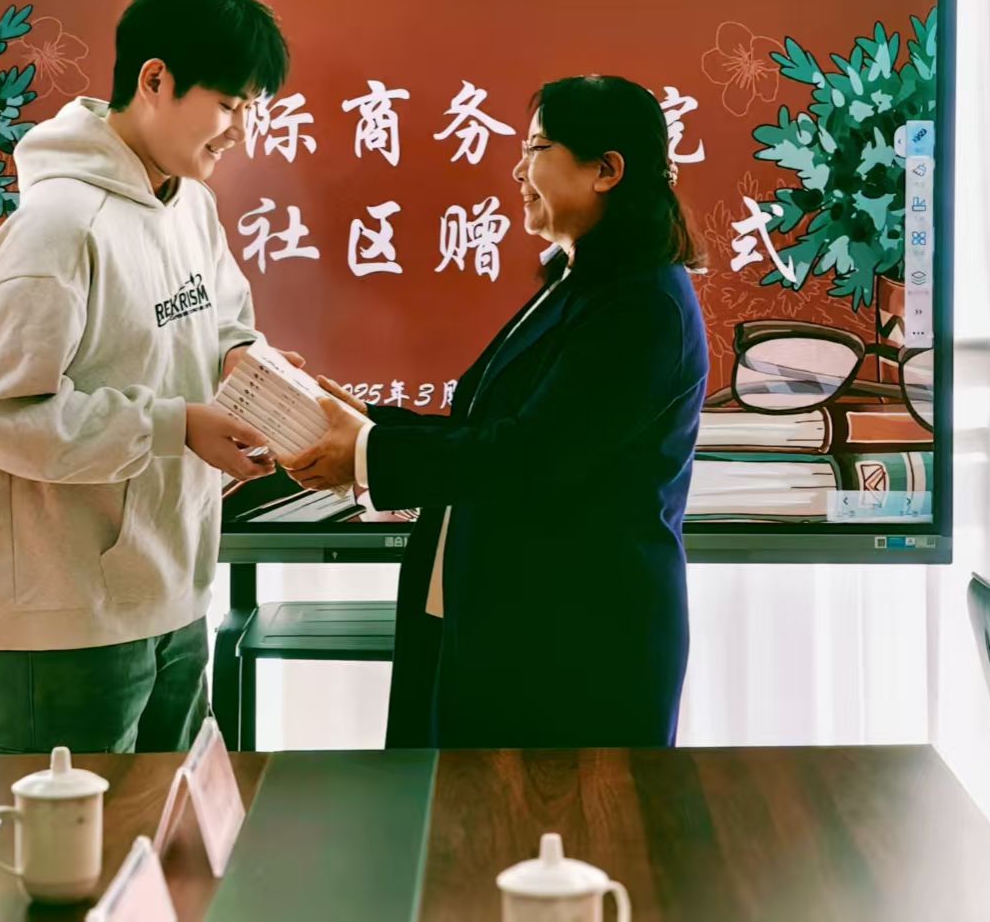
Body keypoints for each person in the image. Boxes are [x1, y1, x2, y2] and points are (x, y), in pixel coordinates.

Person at [281, 74, 708, 749]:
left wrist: (364, 454)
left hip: (577, 651)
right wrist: (365, 420)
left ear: (606, 170)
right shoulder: (580, 278)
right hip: (512, 624)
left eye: (537, 147)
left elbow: (528, 455)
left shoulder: (642, 305)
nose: (517, 170)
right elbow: (487, 427)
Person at [0, 0, 299, 755]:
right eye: (229, 104)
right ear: (155, 79)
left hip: (172, 595)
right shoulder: (59, 227)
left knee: (163, 828)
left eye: (250, 107)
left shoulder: (191, 205)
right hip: (63, 621)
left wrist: (250, 366)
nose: (241, 130)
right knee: (69, 836)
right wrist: (177, 425)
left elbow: (226, 320)